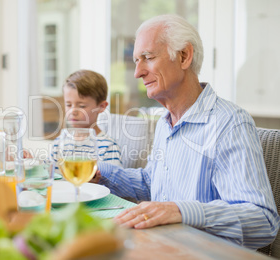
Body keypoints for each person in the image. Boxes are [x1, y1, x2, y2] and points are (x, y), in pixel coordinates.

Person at [93, 14, 279, 249]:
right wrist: (102, 173)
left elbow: (263, 220)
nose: (137, 72)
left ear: (184, 56)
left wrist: (180, 210)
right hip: (160, 246)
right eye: (136, 61)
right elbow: (154, 185)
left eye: (147, 58)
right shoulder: (165, 122)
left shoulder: (229, 123)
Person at [52, 69, 122, 167]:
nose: (73, 111)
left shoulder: (108, 147)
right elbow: (48, 174)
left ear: (101, 106)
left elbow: (114, 179)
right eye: (68, 104)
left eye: (82, 106)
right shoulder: (59, 143)